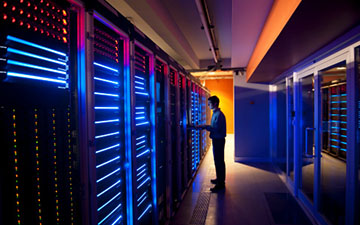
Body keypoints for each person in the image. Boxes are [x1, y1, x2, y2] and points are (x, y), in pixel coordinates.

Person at [196, 95, 226, 192]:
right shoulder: (216, 114)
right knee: (218, 161)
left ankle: (220, 183)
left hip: (219, 140)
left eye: (209, 103)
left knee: (219, 161)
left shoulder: (219, 115)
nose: (208, 105)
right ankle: (219, 179)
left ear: (215, 103)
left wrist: (204, 126)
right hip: (217, 140)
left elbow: (215, 129)